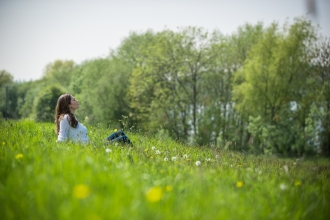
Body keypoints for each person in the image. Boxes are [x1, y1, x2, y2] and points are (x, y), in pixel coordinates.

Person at [55, 93, 131, 145]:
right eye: (74, 100)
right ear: (69, 105)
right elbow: (62, 137)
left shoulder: (72, 117)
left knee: (120, 132)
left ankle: (134, 153)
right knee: (123, 138)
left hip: (92, 145)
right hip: (90, 148)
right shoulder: (65, 118)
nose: (77, 101)